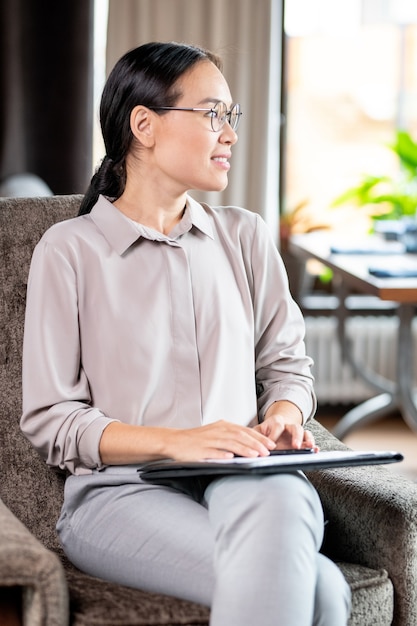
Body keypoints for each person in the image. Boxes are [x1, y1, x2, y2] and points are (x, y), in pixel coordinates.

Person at [21, 41, 351, 625]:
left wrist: (283, 414)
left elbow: (287, 366)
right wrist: (177, 441)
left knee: (283, 499)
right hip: (121, 494)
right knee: (323, 592)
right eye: (211, 114)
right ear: (143, 125)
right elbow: (52, 419)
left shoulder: (245, 238)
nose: (229, 133)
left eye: (231, 116)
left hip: (245, 477)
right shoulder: (69, 251)